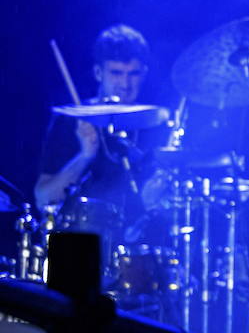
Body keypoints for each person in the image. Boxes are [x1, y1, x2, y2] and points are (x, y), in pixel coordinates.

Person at [35, 24, 165, 234]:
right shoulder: (71, 120)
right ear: (98, 72)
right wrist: (85, 156)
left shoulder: (155, 124)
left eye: (133, 74)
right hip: (78, 245)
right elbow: (43, 198)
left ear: (144, 74)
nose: (125, 83)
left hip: (137, 252)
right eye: (116, 73)